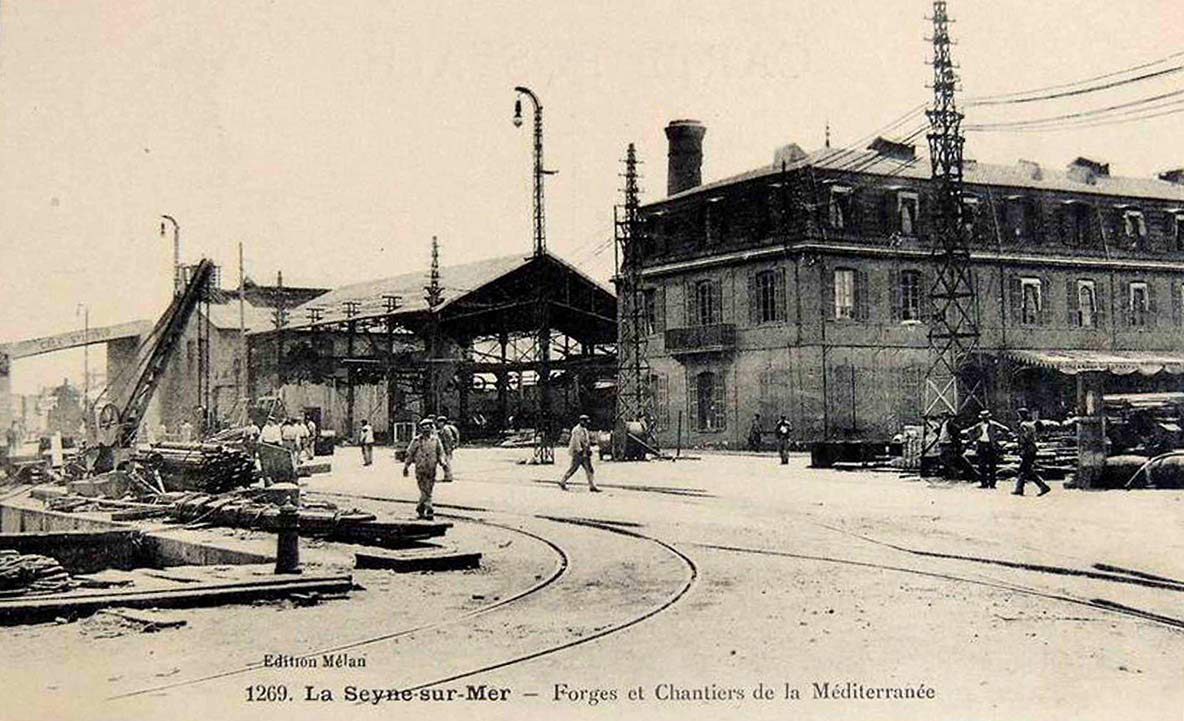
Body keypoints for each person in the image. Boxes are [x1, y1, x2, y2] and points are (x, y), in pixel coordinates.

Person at [403, 418, 448, 520]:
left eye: (428, 427)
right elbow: (410, 454)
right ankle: (429, 508)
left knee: (429, 489)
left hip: (431, 468)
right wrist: (406, 466)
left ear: (431, 428)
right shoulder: (416, 441)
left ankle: (420, 507)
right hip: (420, 468)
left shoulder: (436, 440)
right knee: (424, 489)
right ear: (421, 429)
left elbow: (440, 453)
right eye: (424, 428)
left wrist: (443, 463)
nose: (426, 429)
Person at [963, 410, 1012, 489]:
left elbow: (1005, 429)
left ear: (988, 417)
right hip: (981, 444)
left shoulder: (993, 424)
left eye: (986, 417)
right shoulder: (979, 425)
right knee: (982, 465)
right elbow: (969, 430)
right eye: (983, 417)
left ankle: (992, 483)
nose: (984, 418)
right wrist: (973, 438)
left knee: (992, 465)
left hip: (990, 445)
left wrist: (997, 437)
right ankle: (984, 483)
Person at [1013, 408, 1053, 497]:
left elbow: (1025, 437)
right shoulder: (1030, 424)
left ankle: (1043, 486)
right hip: (1031, 449)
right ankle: (1019, 488)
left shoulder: (1023, 425)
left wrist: (1020, 445)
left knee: (1025, 470)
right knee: (1025, 470)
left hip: (1027, 449)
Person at [559, 414, 600, 492]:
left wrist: (589, 449)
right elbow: (576, 441)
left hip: (585, 452)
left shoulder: (585, 430)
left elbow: (587, 441)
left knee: (589, 469)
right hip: (578, 453)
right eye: (585, 422)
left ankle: (592, 486)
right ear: (581, 421)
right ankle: (563, 481)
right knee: (573, 469)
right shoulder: (576, 430)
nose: (586, 424)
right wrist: (579, 450)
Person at [436, 415, 458, 482]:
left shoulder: (446, 429)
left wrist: (449, 447)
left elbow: (449, 439)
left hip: (446, 448)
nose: (438, 424)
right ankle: (447, 476)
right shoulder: (444, 429)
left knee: (446, 462)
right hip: (446, 448)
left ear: (443, 422)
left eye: (439, 422)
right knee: (445, 462)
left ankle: (448, 477)